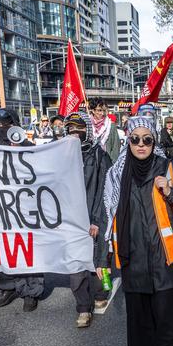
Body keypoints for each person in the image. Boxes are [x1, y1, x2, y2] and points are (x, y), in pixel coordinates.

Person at [102, 116, 173, 346]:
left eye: (147, 139)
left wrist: (169, 190)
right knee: (141, 320)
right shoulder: (116, 174)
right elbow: (106, 214)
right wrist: (101, 258)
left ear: (154, 142)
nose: (141, 145)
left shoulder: (167, 166)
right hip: (133, 260)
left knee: (167, 318)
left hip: (165, 257)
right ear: (128, 141)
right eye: (135, 139)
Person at [0, 109, 44, 312]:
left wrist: (20, 147)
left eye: (6, 124)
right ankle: (8, 286)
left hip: (26, 208)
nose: (2, 128)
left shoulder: (29, 147)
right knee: (3, 247)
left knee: (29, 248)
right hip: (1, 208)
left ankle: (31, 290)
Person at [64, 112, 112, 328]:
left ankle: (101, 292)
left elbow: (105, 191)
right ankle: (83, 308)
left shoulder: (99, 156)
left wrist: (96, 221)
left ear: (88, 130)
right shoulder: (59, 156)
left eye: (79, 129)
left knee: (99, 262)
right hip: (71, 223)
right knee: (76, 268)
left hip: (95, 219)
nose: (75, 134)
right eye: (70, 130)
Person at [90, 98, 120, 162]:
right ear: (93, 110)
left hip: (106, 163)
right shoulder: (88, 125)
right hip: (91, 164)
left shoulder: (111, 125)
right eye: (99, 110)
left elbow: (115, 147)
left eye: (104, 110)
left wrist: (112, 165)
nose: (102, 113)